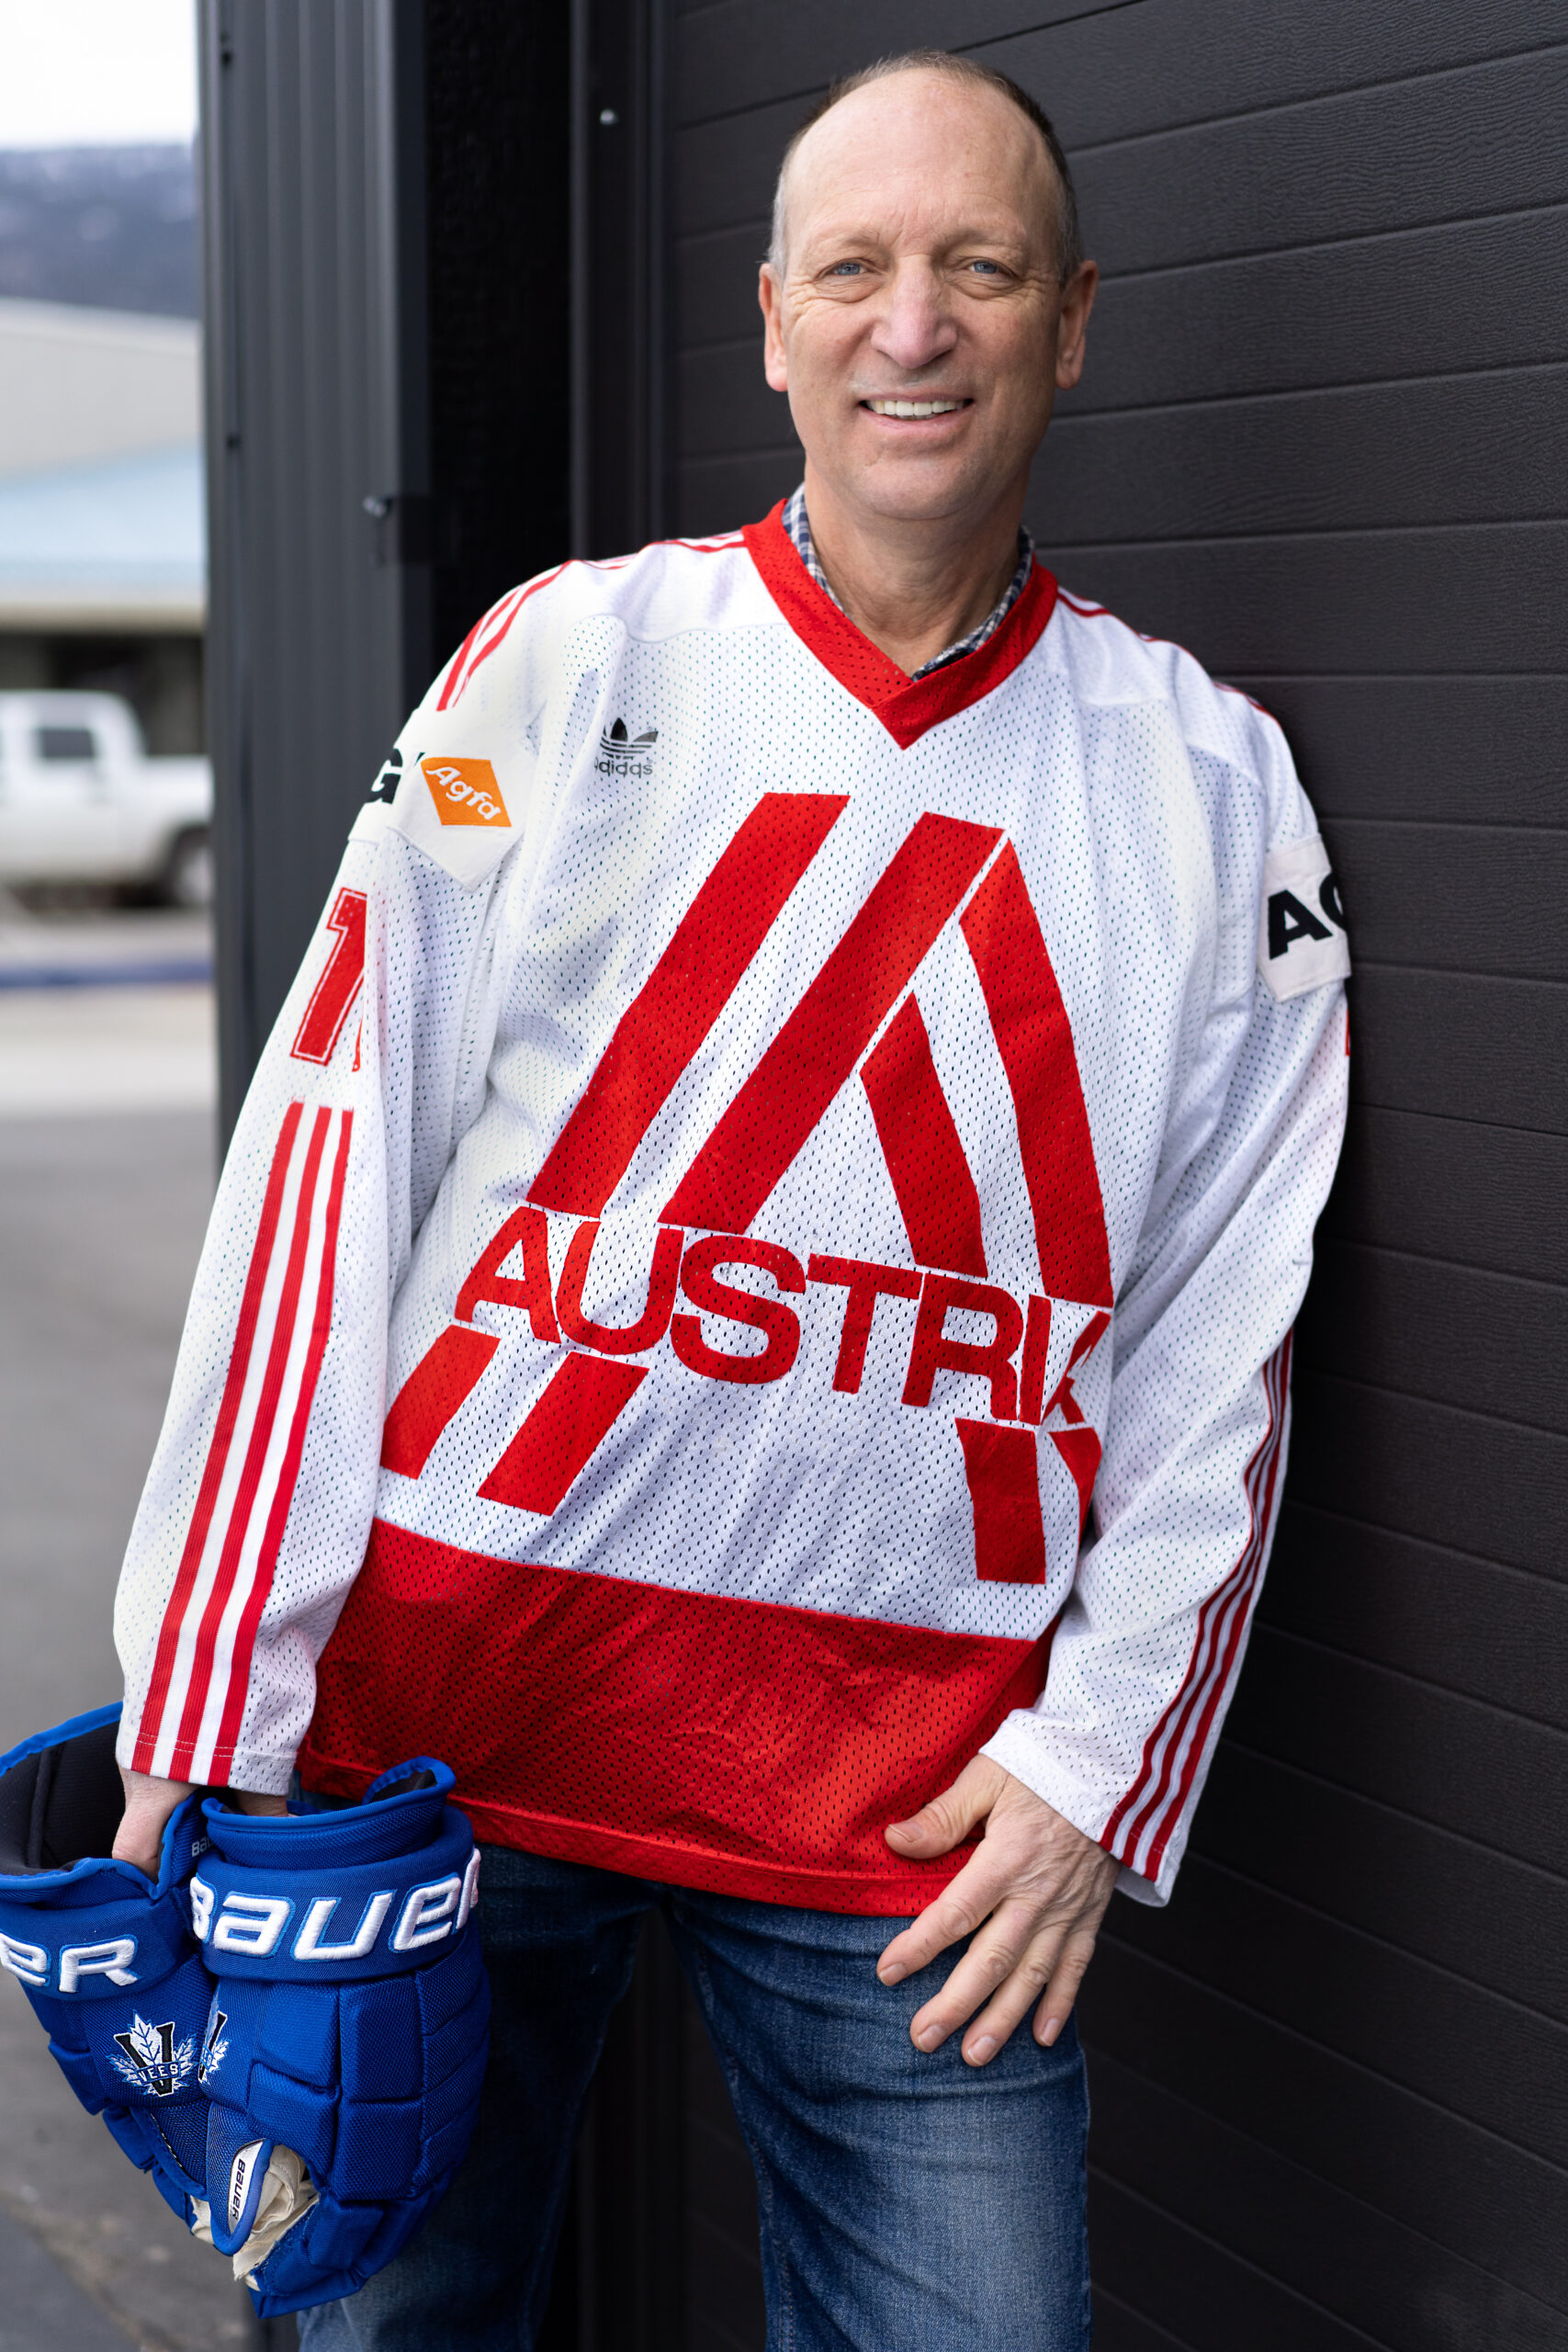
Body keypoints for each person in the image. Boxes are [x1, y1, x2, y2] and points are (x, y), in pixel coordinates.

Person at [108, 48, 1349, 2351]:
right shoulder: (562, 659)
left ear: (1068, 317)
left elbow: (1221, 1326)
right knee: (383, 2325)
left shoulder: (1203, 784)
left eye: (976, 268)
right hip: (441, 1764)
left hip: (904, 1824)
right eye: (857, 270)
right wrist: (212, 1680)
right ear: (767, 317)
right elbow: (328, 1148)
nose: (914, 326)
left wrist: (1094, 1770)